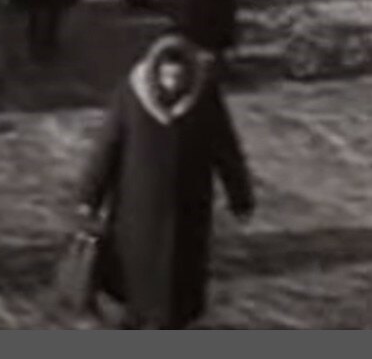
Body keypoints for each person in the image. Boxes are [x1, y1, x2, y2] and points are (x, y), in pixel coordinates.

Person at [77, 35, 255, 329]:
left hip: (189, 204)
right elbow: (108, 147)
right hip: (138, 205)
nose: (172, 83)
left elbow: (226, 149)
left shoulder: (205, 97)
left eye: (178, 76)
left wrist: (240, 196)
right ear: (155, 72)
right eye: (167, 76)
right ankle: (135, 317)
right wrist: (90, 197)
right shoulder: (131, 95)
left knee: (180, 279)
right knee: (136, 274)